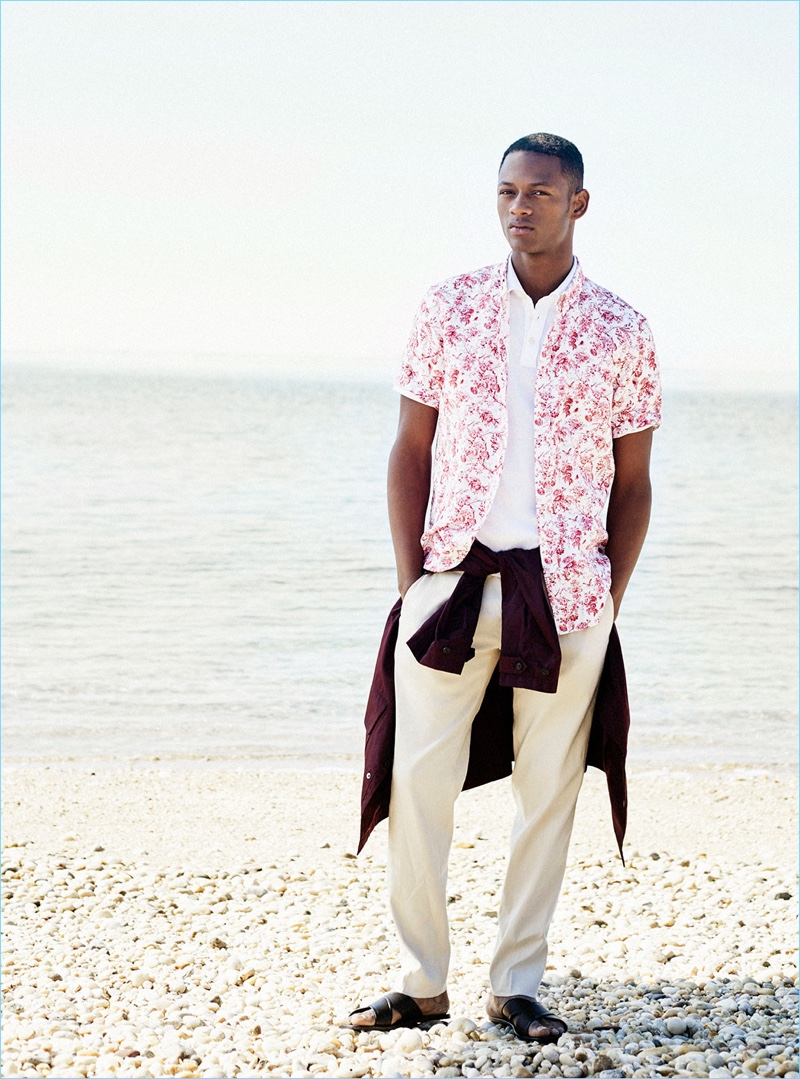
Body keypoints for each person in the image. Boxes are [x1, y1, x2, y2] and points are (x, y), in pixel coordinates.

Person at [348, 133, 662, 1043]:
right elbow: (411, 452)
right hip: (454, 578)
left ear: (579, 203)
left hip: (566, 591)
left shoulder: (622, 327)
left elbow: (633, 481)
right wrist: (416, 586)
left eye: (539, 192)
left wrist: (607, 596)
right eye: (506, 192)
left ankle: (517, 981)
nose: (520, 207)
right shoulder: (447, 307)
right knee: (416, 778)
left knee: (548, 787)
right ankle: (421, 980)